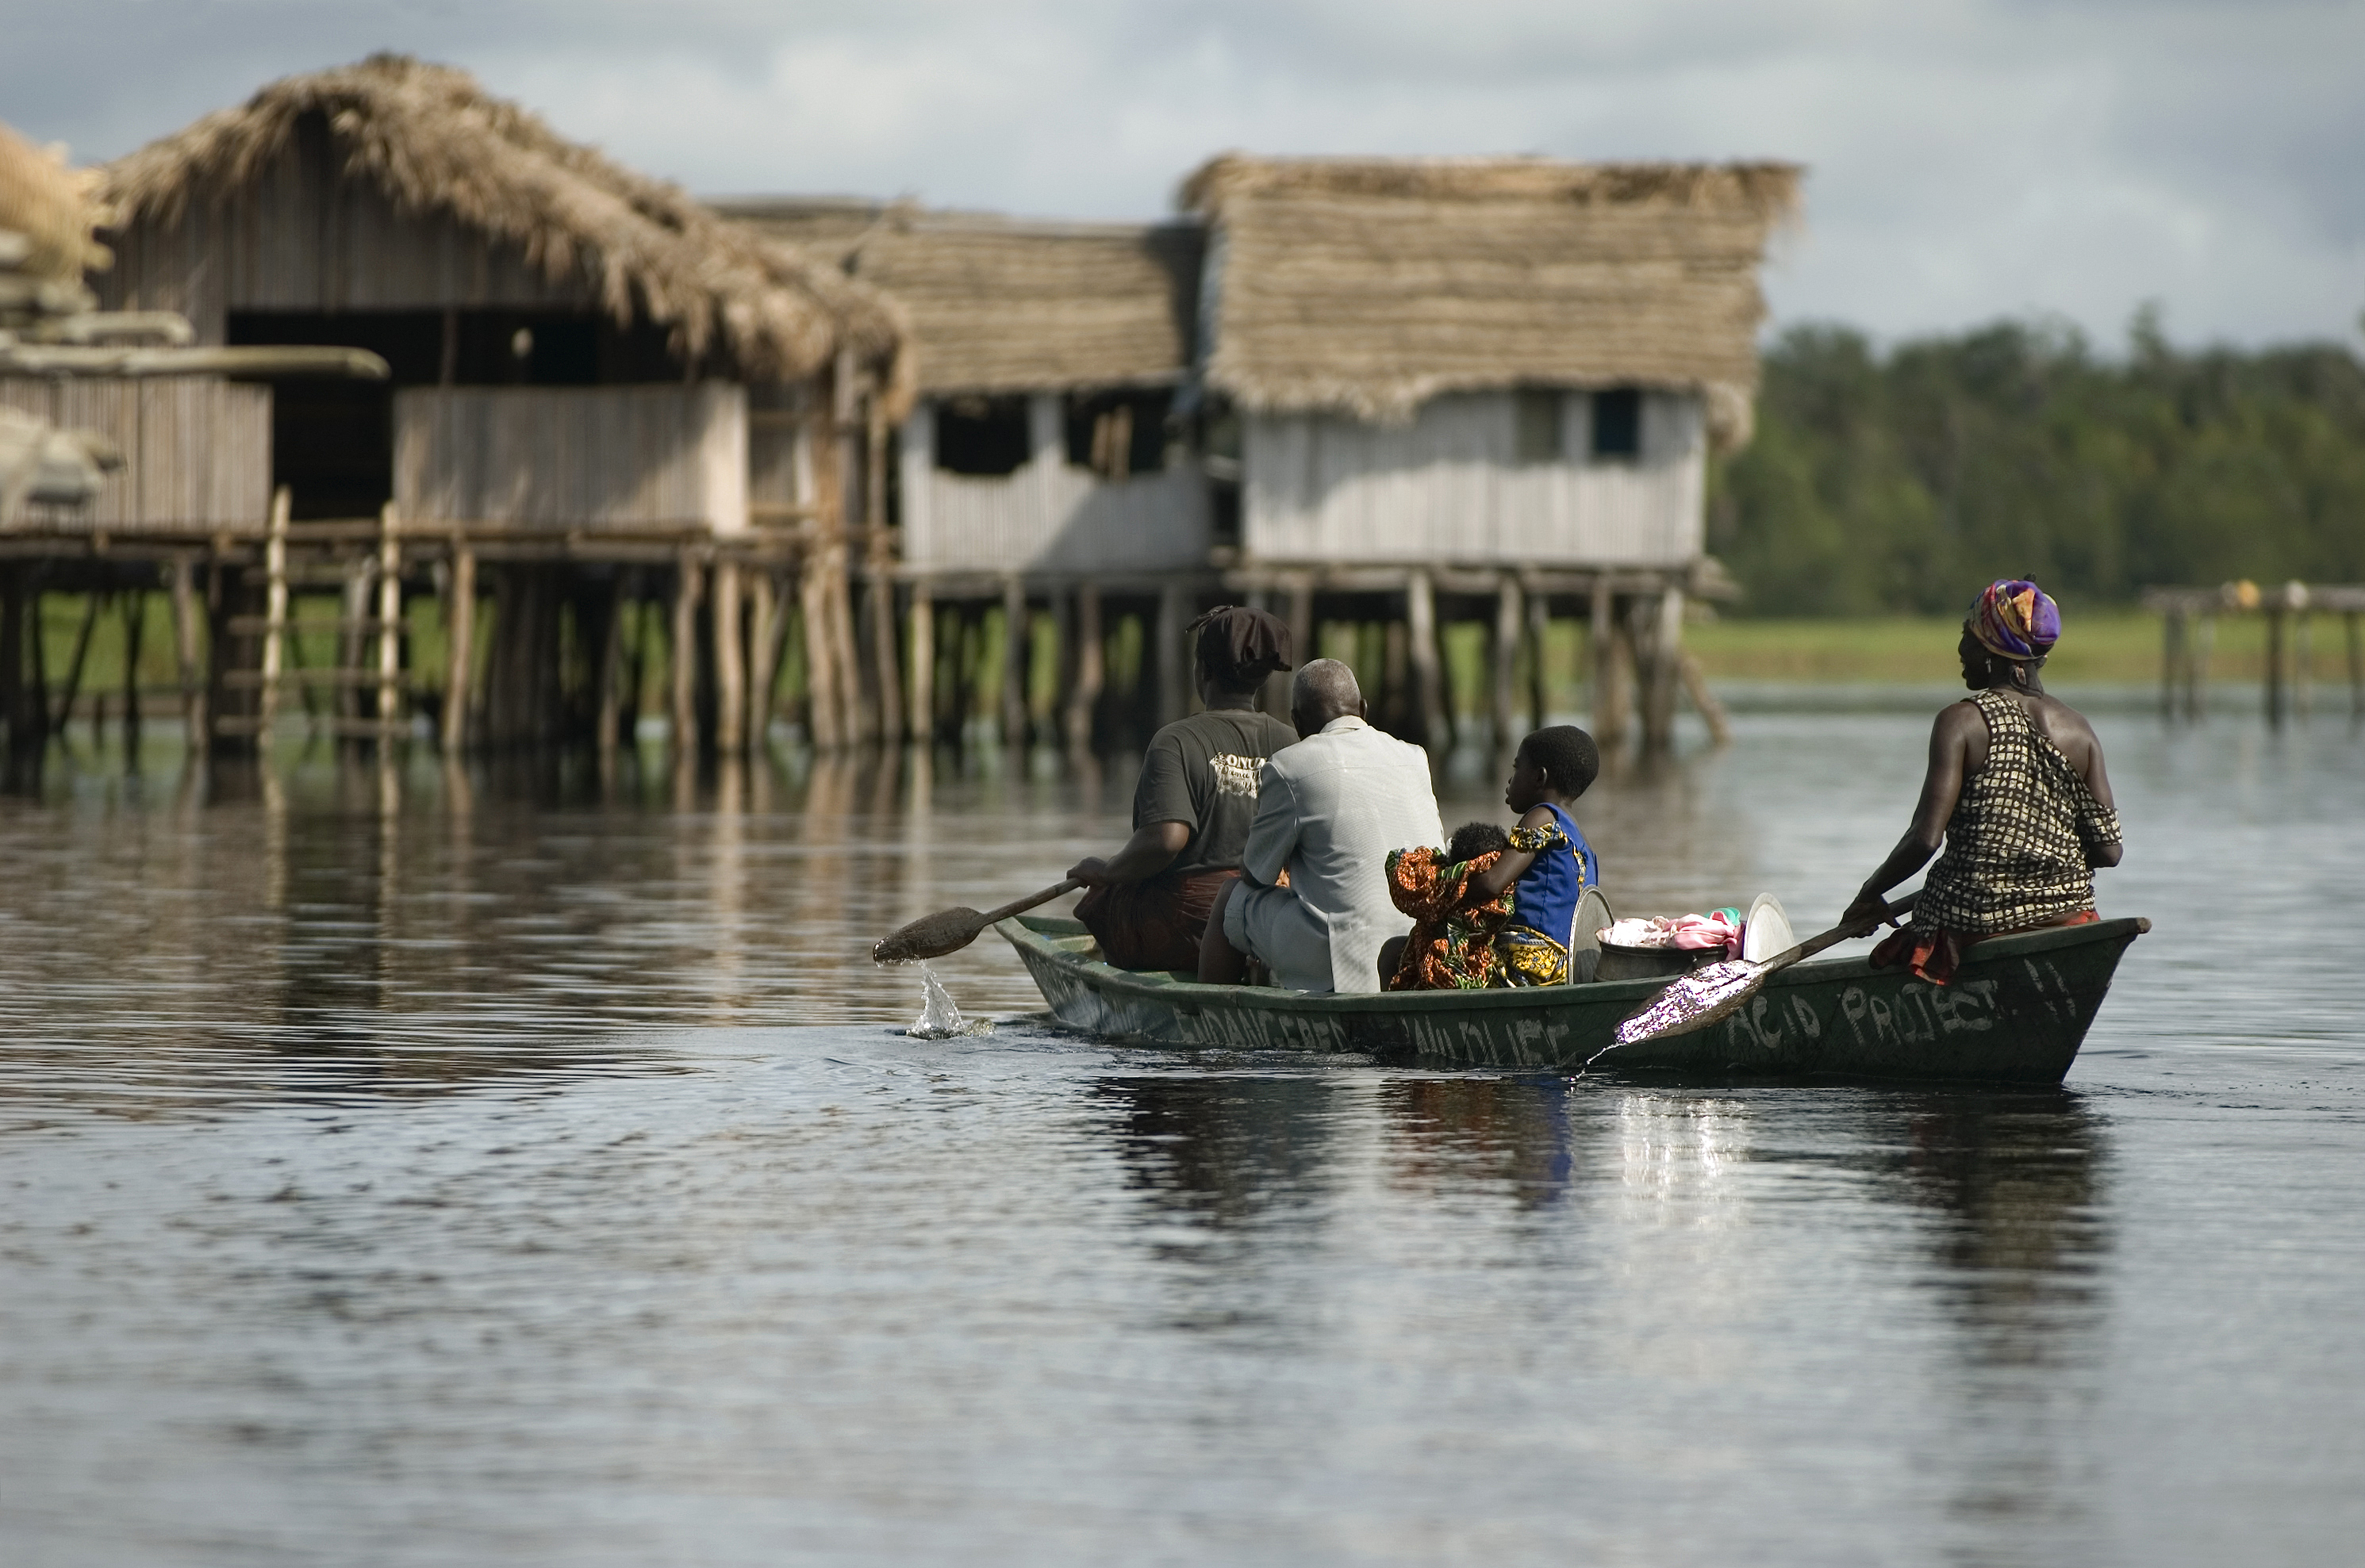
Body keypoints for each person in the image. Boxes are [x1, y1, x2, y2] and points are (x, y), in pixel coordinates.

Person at [1841, 579, 2124, 984]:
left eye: (1968, 638)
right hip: (2068, 917)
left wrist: (1869, 895)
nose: (1961, 651)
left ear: (1994, 652)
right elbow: (2109, 850)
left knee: (1897, 954)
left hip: (1972, 921)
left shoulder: (1961, 721)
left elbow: (1925, 839)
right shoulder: (2080, 731)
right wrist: (2036, 870)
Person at [1065, 606, 1303, 971]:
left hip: (1191, 925)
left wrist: (1107, 872)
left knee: (1110, 899)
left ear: (1203, 670)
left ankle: (1126, 985)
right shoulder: (1293, 743)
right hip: (1270, 921)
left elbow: (1166, 839)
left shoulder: (1176, 741)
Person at [1200, 658, 1444, 993]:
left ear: (1297, 722)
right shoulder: (1415, 757)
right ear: (1363, 709)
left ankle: (1205, 1019)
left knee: (1232, 896)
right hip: (1423, 946)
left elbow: (1255, 875)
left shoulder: (1289, 765)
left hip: (1343, 959)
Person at [1380, 822, 1515, 991]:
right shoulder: (1504, 897)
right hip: (1483, 979)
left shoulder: (1436, 891)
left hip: (1427, 979)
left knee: (1390, 951)